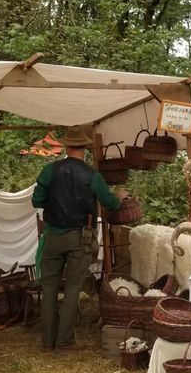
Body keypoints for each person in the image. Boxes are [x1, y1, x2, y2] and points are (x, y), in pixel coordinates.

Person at [32, 125, 128, 351]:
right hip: (80, 238)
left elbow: (37, 201)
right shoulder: (93, 176)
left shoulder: (49, 170)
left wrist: (54, 202)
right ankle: (64, 340)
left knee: (49, 288)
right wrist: (121, 197)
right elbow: (112, 203)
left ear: (66, 146)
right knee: (73, 288)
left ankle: (47, 341)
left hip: (53, 236)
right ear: (84, 149)